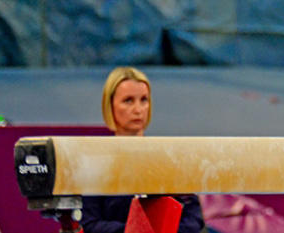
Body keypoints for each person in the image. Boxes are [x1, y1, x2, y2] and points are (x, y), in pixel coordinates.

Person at [80, 67, 206, 233]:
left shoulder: (167, 160)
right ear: (110, 105)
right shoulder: (96, 164)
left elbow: (194, 218)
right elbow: (90, 224)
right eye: (128, 101)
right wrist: (135, 230)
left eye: (144, 100)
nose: (138, 109)